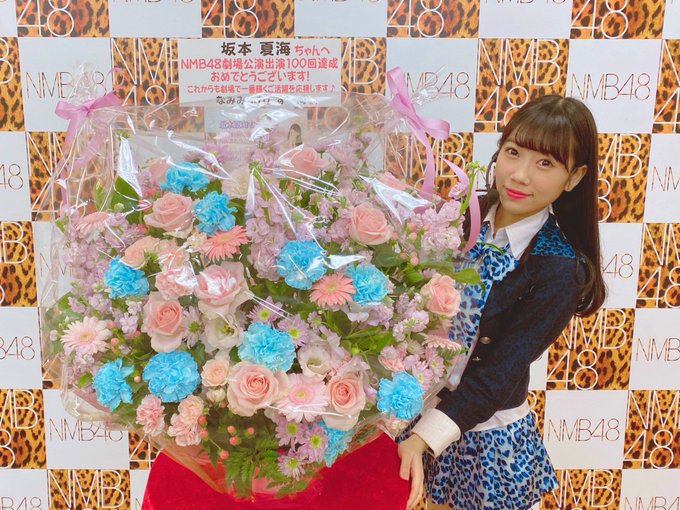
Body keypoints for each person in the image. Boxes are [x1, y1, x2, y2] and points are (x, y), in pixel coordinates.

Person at [397, 94, 606, 510]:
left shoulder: (558, 268)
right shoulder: (460, 214)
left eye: (545, 163)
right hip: (415, 412)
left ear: (574, 177)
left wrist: (426, 436)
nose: (520, 175)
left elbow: (500, 372)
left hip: (484, 436)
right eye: (513, 152)